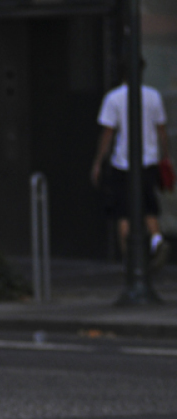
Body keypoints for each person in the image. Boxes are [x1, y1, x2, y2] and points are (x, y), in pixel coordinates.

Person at [91, 58, 170, 269]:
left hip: (123, 162)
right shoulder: (153, 95)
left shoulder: (114, 98)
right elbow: (161, 130)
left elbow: (108, 133)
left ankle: (129, 258)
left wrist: (99, 161)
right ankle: (157, 239)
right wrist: (165, 156)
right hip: (150, 159)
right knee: (148, 206)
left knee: (123, 212)